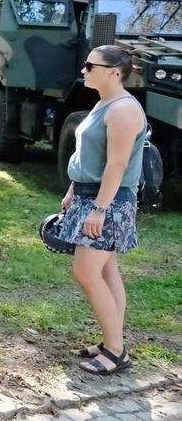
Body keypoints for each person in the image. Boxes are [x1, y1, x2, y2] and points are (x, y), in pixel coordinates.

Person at [60, 45, 146, 375]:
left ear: (114, 72)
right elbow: (89, 156)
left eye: (89, 65)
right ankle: (112, 340)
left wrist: (99, 209)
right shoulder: (103, 103)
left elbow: (117, 164)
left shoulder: (123, 109)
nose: (83, 70)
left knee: (86, 273)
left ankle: (115, 351)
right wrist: (72, 189)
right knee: (107, 273)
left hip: (107, 202)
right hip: (91, 197)